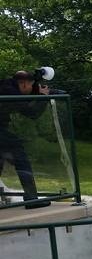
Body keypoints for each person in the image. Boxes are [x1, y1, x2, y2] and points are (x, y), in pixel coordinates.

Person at [0, 70, 51, 208]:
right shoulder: (10, 92)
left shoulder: (6, 87)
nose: (31, 89)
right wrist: (43, 96)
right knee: (21, 158)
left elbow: (23, 103)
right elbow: (32, 113)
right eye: (31, 86)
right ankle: (31, 198)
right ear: (23, 84)